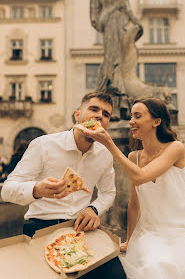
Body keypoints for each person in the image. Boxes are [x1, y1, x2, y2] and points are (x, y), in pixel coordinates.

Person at [84, 97, 185, 279]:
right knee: (153, 267)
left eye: (137, 116)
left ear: (157, 121)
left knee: (173, 268)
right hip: (153, 233)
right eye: (131, 116)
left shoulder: (175, 148)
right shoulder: (134, 157)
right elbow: (134, 204)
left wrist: (110, 144)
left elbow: (142, 176)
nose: (131, 121)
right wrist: (130, 240)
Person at [1, 91, 126, 279]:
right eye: (94, 109)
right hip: (40, 228)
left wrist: (93, 209)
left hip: (82, 230)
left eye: (106, 114)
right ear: (77, 115)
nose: (100, 116)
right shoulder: (43, 145)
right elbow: (7, 191)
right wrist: (36, 190)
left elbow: (108, 193)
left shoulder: (105, 154)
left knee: (117, 276)